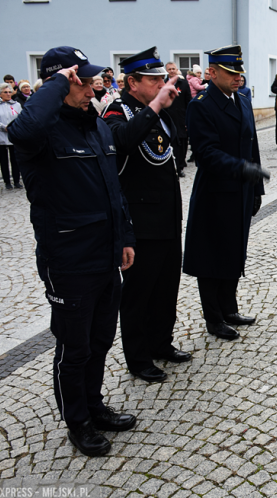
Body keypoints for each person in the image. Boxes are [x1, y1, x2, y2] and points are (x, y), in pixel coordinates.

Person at [8, 46, 137, 457]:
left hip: (104, 255)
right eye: (82, 80)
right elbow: (22, 131)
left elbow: (115, 191)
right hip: (68, 259)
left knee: (100, 340)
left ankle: (95, 405)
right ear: (60, 82)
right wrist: (55, 83)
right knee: (74, 347)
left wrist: (126, 238)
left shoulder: (95, 126)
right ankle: (77, 419)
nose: (93, 86)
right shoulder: (41, 134)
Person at [102, 48, 190, 383]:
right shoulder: (115, 111)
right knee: (138, 295)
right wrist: (155, 106)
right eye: (152, 80)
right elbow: (121, 141)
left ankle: (161, 343)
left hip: (166, 217)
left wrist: (159, 107)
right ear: (132, 82)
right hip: (139, 222)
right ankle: (138, 358)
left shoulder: (159, 112)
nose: (159, 85)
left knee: (166, 288)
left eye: (160, 79)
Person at [184, 45, 270, 341]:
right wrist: (243, 169)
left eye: (239, 73)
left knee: (234, 249)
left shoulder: (243, 100)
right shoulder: (202, 105)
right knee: (212, 255)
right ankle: (214, 317)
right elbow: (206, 154)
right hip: (216, 193)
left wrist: (256, 188)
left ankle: (229, 307)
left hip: (242, 191)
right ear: (213, 73)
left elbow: (252, 145)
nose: (237, 78)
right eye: (231, 73)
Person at [0, 83, 22, 190]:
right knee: (3, 160)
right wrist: (4, 127)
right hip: (1, 134)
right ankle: (7, 181)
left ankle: (16, 180)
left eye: (9, 92)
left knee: (15, 159)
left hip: (13, 134)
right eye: (5, 92)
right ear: (0, 94)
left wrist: (13, 127)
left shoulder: (16, 104)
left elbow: (20, 117)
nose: (8, 94)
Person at [164, 61, 193, 178]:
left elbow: (189, 102)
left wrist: (188, 118)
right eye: (169, 69)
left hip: (181, 118)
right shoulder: (163, 84)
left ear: (177, 70)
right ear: (166, 70)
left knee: (182, 144)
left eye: (173, 69)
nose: (171, 71)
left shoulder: (184, 84)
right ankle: (171, 167)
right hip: (168, 118)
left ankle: (180, 166)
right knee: (170, 143)